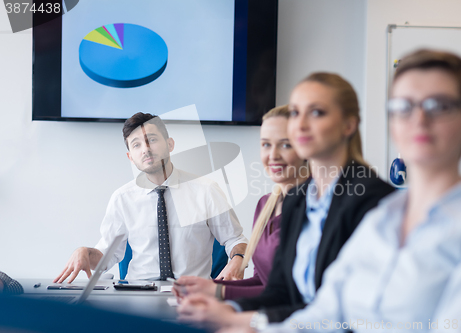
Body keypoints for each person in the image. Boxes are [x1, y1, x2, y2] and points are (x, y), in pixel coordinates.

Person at [229, 49, 461, 333]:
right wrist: (249, 325)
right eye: (404, 107)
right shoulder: (382, 218)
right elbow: (326, 314)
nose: (419, 119)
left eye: (439, 106)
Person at [177, 73, 395, 329]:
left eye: (316, 113)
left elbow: (341, 310)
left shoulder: (372, 200)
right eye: (295, 113)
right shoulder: (298, 200)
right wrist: (227, 307)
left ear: (348, 125)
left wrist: (243, 318)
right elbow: (281, 293)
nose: (300, 125)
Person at [54, 113, 248, 283]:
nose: (145, 149)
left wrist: (237, 260)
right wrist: (84, 252)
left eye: (152, 140)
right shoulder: (122, 198)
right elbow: (106, 255)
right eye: (136, 144)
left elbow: (236, 239)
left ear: (170, 144)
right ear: (131, 157)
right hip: (137, 295)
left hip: (192, 293)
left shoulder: (206, 190)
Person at [173, 105, 310, 300]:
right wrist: (208, 285)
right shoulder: (266, 205)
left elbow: (292, 292)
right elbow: (262, 281)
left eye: (286, 144)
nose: (273, 155)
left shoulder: (316, 208)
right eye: (266, 144)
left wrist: (218, 291)